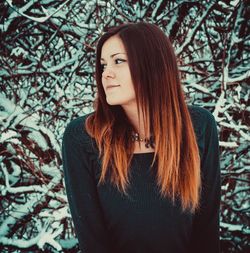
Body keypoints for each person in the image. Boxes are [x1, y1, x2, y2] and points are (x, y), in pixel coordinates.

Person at [62, 22, 221, 253]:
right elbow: (93, 242)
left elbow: (206, 234)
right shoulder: (84, 138)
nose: (106, 73)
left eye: (118, 61)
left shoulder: (199, 127)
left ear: (152, 66)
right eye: (103, 64)